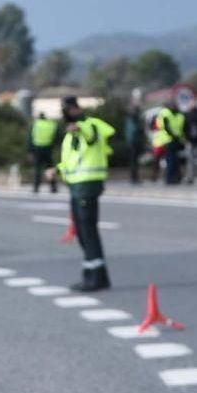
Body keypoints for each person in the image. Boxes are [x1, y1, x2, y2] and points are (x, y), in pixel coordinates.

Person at [49, 95, 115, 292]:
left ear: (77, 109)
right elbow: (72, 160)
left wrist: (79, 127)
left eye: (68, 111)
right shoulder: (70, 135)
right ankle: (94, 275)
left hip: (87, 185)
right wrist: (57, 170)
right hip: (76, 186)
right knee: (81, 232)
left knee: (88, 231)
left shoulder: (91, 125)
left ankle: (96, 279)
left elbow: (91, 136)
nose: (66, 116)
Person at [152, 99, 185, 185]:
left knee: (173, 160)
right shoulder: (166, 113)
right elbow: (166, 127)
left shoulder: (175, 114)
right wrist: (174, 136)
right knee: (171, 160)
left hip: (172, 140)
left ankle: (174, 178)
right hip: (168, 140)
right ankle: (170, 178)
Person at [28, 112, 59, 193]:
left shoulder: (35, 124)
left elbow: (30, 138)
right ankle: (53, 187)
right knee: (50, 168)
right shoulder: (51, 124)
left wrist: (30, 151)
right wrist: (53, 146)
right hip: (48, 149)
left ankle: (36, 187)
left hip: (37, 149)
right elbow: (57, 136)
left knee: (37, 169)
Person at [124, 100, 145, 185]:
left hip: (132, 142)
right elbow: (136, 130)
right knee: (134, 161)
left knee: (134, 161)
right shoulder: (134, 118)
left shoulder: (131, 118)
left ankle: (134, 177)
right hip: (134, 142)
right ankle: (134, 178)